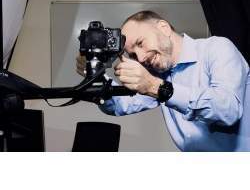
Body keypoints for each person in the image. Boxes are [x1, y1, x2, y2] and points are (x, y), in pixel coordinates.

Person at [76, 10, 250, 151]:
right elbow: (119, 106)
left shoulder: (217, 48)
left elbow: (228, 111)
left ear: (164, 28)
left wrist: (156, 87)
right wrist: (95, 75)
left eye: (141, 43)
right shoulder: (158, 73)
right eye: (134, 55)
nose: (142, 58)